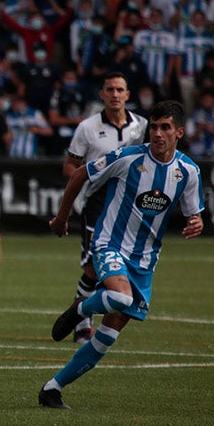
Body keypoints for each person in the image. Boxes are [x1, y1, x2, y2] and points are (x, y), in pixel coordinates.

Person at [40, 100, 204, 409]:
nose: (157, 133)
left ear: (178, 132)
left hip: (144, 262)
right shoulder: (129, 157)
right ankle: (79, 310)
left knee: (107, 338)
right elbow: (78, 175)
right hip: (108, 245)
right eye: (153, 127)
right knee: (121, 299)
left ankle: (52, 388)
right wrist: (62, 218)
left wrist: (196, 222)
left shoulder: (188, 171)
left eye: (165, 128)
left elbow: (195, 213)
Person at [60, 72, 147, 343]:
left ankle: (86, 313)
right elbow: (70, 166)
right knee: (93, 269)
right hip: (98, 203)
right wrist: (88, 180)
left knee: (119, 267)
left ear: (128, 95)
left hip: (131, 206)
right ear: (101, 94)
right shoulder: (87, 127)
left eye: (120, 89)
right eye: (109, 89)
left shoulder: (142, 127)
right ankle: (82, 321)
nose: (115, 94)